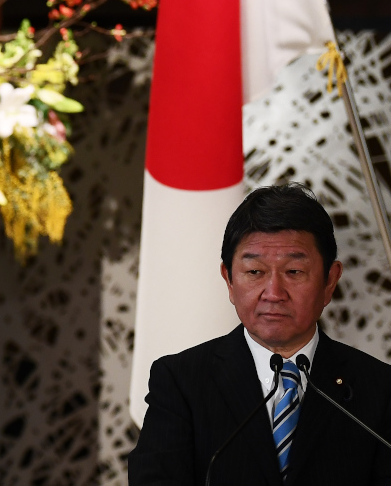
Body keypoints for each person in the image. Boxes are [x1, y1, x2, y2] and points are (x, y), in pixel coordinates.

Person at [129, 183, 391, 485]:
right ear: (228, 279)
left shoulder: (380, 390)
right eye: (255, 272)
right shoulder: (181, 382)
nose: (274, 293)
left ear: (330, 281)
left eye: (294, 272)